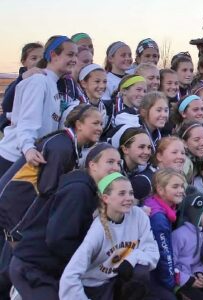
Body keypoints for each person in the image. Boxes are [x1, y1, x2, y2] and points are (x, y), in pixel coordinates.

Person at [8, 144, 121, 300]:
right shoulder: (79, 190)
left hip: (45, 268)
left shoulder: (91, 191)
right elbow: (58, 238)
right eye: (110, 162)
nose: (116, 167)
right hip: (34, 267)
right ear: (92, 165)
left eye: (118, 163)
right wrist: (84, 262)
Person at [0, 105, 104, 242]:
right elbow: (47, 189)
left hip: (13, 210)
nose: (100, 128)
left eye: (101, 124)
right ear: (79, 124)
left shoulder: (67, 143)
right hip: (13, 209)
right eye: (95, 123)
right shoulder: (61, 147)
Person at [59, 173, 159, 300]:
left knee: (141, 272)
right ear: (106, 198)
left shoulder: (139, 216)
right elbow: (70, 275)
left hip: (118, 279)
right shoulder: (98, 230)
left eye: (131, 193)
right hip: (94, 287)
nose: (129, 198)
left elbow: (152, 251)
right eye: (122, 193)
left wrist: (132, 259)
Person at [0, 36, 76, 175]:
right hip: (13, 158)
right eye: (70, 54)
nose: (74, 60)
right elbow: (27, 120)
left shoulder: (51, 83)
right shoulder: (39, 82)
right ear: (53, 55)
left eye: (75, 55)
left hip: (27, 157)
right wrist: (28, 148)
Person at [144, 168, 188, 299]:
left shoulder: (161, 206)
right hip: (151, 276)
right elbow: (164, 253)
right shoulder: (158, 218)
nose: (181, 190)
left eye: (182, 186)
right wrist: (171, 283)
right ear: (160, 190)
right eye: (175, 186)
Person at [172, 192, 203, 300]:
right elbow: (169, 264)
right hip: (179, 281)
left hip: (193, 277)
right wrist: (187, 280)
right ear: (195, 214)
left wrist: (200, 273)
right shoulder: (179, 235)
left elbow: (197, 261)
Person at [0, 42, 43, 129]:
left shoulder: (50, 81)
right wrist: (21, 79)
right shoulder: (17, 83)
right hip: (22, 130)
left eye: (42, 58)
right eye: (34, 58)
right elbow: (6, 106)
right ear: (24, 62)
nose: (39, 61)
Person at [78, 64, 111, 132]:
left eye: (104, 82)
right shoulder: (75, 107)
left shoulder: (106, 108)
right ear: (83, 83)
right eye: (97, 81)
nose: (102, 86)